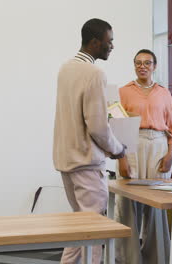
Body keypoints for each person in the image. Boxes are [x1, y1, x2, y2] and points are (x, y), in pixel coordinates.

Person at [53, 18, 131, 264]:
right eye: (109, 42)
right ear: (95, 42)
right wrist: (118, 149)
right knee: (94, 231)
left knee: (79, 227)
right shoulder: (94, 73)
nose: (112, 46)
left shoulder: (66, 68)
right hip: (86, 163)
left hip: (66, 160)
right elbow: (97, 126)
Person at [114, 49, 172, 264]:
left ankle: (156, 258)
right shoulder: (122, 92)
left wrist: (171, 153)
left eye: (147, 63)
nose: (143, 66)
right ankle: (128, 259)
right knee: (127, 205)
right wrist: (121, 157)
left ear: (154, 66)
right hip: (131, 144)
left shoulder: (164, 93)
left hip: (158, 144)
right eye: (138, 63)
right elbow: (116, 126)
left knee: (156, 204)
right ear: (134, 66)